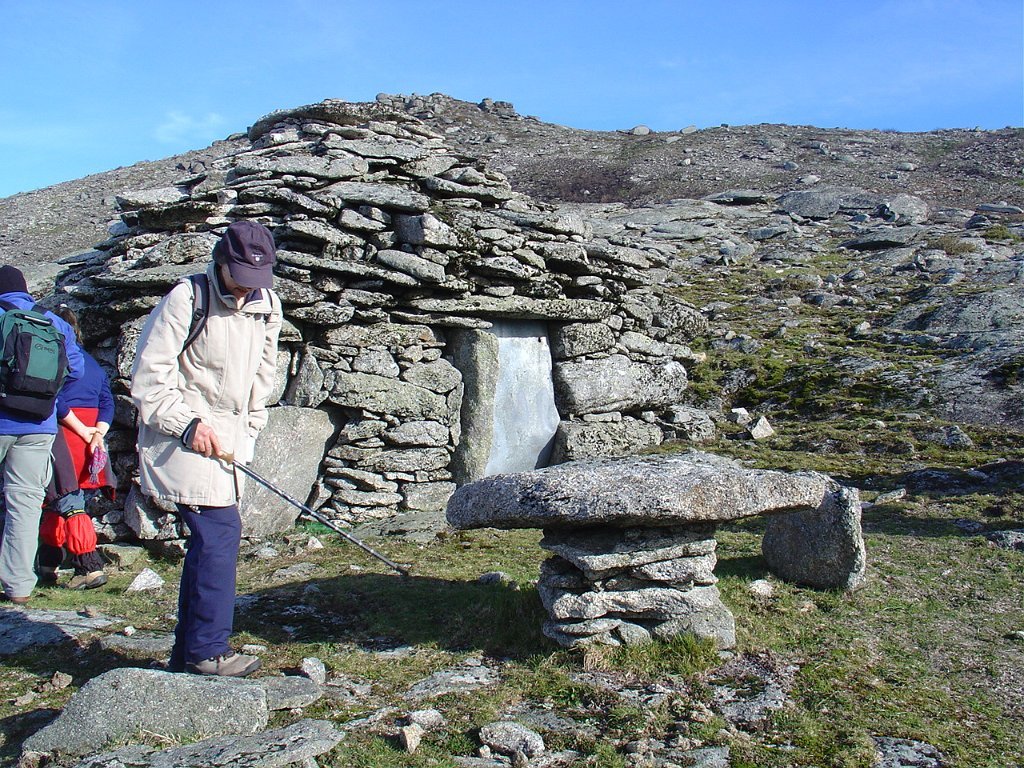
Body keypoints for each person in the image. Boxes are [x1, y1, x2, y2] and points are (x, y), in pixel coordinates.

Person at [131, 221, 281, 677]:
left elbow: (262, 378)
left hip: (231, 445)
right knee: (220, 534)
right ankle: (207, 652)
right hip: (183, 437)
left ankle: (188, 655)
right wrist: (187, 425)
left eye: (257, 278)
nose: (247, 287)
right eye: (241, 275)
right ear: (221, 261)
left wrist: (250, 430)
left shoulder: (267, 305)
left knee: (210, 540)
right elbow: (149, 378)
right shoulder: (187, 298)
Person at [0, 266, 84, 604]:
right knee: (24, 504)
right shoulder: (52, 321)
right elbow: (76, 370)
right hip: (39, 425)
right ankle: (19, 585)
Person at [37, 305, 116, 590]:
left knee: (68, 501)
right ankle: (48, 564)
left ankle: (89, 566)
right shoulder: (92, 364)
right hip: (90, 441)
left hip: (65, 435)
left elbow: (54, 399)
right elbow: (107, 402)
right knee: (57, 502)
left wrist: (80, 429)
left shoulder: (54, 359)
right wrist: (97, 434)